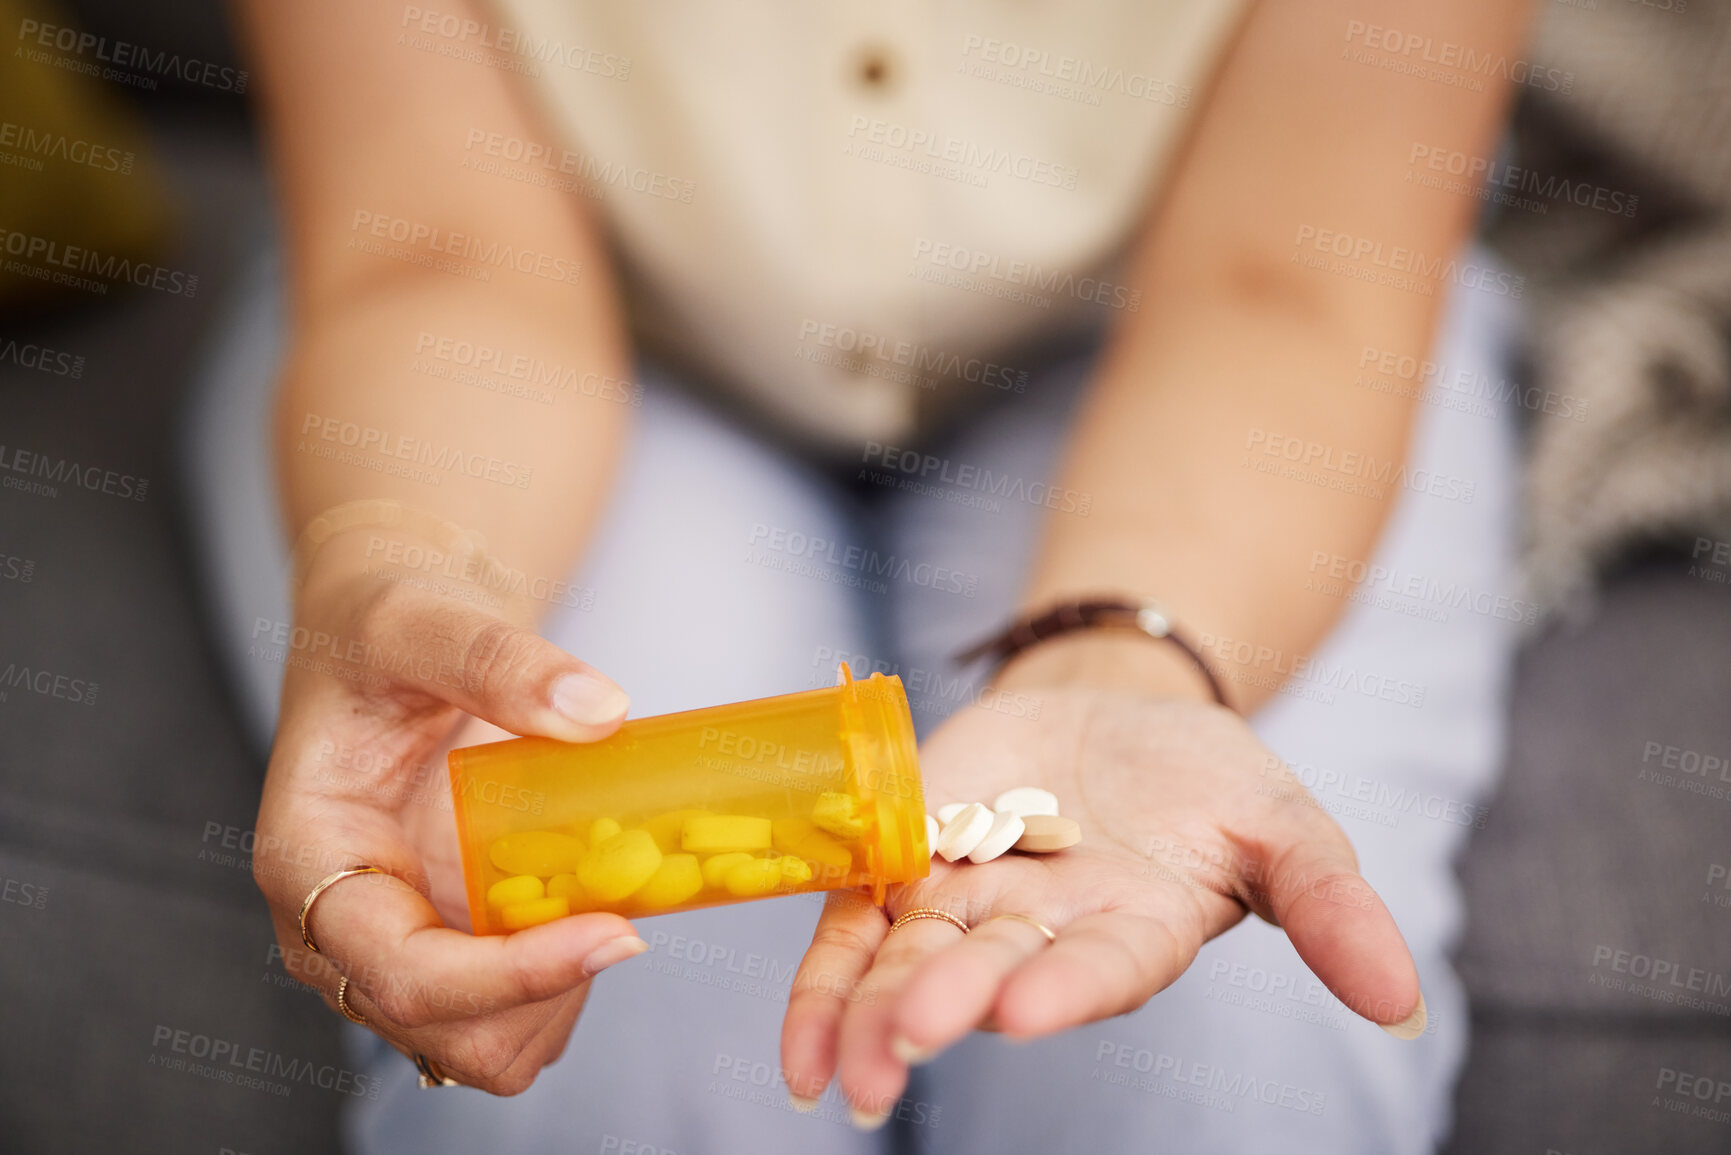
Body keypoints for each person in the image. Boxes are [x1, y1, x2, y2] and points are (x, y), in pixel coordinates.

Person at [185, 0, 1535, 1149]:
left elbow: (1288, 280)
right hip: (528, 311)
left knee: (1232, 1041)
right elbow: (441, 248)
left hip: (1217, 329)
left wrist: (1119, 666)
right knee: (596, 974)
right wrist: (411, 569)